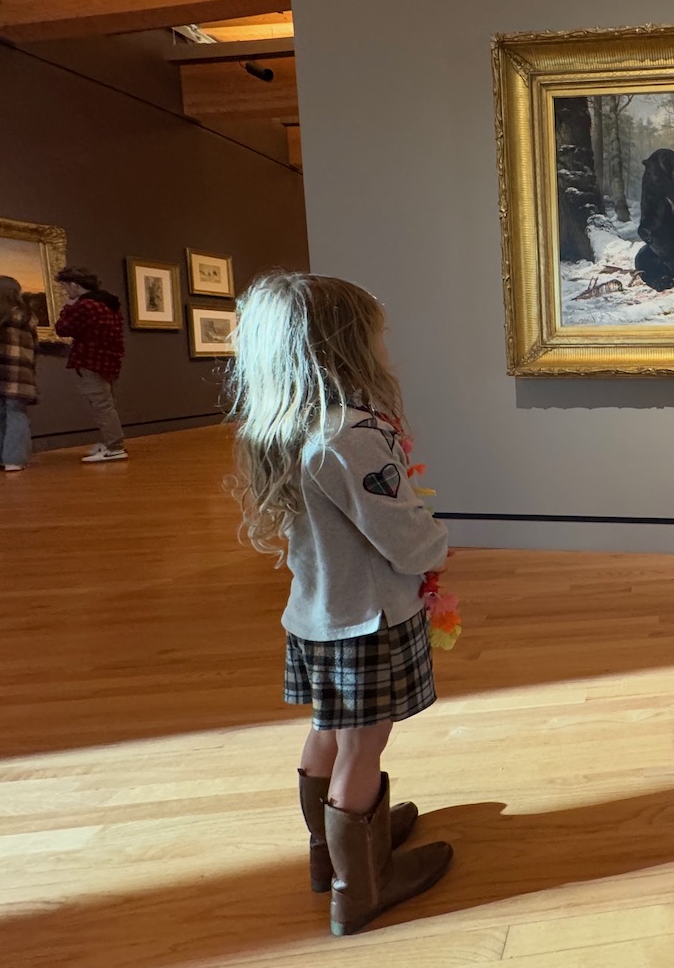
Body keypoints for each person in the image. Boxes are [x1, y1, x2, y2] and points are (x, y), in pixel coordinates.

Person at [227, 271, 452, 937]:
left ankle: (330, 851)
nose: (386, 350)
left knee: (330, 728)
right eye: (375, 337)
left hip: (321, 613)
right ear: (343, 346)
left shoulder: (288, 425)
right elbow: (402, 533)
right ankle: (362, 887)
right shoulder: (346, 434)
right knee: (363, 742)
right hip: (367, 620)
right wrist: (436, 545)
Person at [53, 266, 128, 463]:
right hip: (110, 361)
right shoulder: (108, 304)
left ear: (74, 285)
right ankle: (112, 443)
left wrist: (67, 307)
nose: (66, 292)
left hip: (91, 361)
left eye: (65, 288)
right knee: (107, 403)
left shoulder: (84, 306)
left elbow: (62, 328)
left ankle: (114, 447)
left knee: (101, 405)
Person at [0, 275, 38, 472]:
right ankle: (14, 460)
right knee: (17, 416)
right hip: (20, 377)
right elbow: (35, 347)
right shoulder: (27, 317)